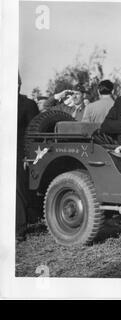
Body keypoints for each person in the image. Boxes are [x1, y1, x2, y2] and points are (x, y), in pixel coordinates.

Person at [16, 73, 39, 241]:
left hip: (19, 154)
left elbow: (34, 133)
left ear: (19, 83)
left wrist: (27, 156)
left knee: (18, 191)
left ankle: (19, 229)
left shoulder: (28, 104)